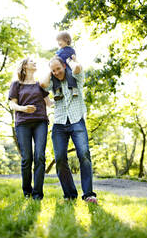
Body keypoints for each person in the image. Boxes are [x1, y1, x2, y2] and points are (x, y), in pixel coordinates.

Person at [42, 56, 97, 203]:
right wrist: (50, 71)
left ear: (65, 66)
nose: (56, 72)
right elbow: (42, 84)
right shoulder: (52, 82)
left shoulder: (75, 77)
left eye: (58, 68)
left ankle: (88, 195)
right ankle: (70, 194)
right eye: (53, 70)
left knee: (84, 155)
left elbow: (78, 67)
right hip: (59, 123)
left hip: (76, 120)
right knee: (60, 159)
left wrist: (72, 60)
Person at [8, 58, 53, 200]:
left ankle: (37, 194)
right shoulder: (16, 84)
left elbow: (49, 103)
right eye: (31, 62)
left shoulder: (40, 85)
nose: (35, 63)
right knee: (27, 158)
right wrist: (23, 109)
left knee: (40, 156)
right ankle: (27, 191)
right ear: (25, 66)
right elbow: (12, 105)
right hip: (23, 123)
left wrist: (64, 96)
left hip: (40, 122)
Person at [52, 31, 79, 101]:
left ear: (66, 40)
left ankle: (74, 88)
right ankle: (58, 91)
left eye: (60, 40)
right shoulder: (58, 51)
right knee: (53, 75)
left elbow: (74, 58)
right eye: (58, 41)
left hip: (67, 65)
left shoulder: (71, 50)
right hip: (60, 66)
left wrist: (75, 60)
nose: (59, 43)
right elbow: (55, 59)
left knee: (70, 73)